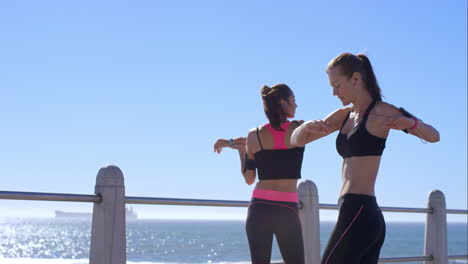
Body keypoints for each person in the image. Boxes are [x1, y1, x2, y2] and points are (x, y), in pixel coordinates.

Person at [291, 53, 440, 264]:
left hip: (359, 211)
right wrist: (305, 127)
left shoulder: (382, 112)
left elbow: (434, 136)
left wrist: (410, 123)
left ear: (355, 79)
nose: (334, 93)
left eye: (337, 85)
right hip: (357, 212)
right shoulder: (344, 115)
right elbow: (297, 140)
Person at [214, 84, 306, 264]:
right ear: (283, 103)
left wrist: (239, 148)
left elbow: (249, 178)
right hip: (286, 209)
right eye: (293, 101)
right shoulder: (299, 128)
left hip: (259, 208)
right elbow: (327, 126)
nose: (296, 105)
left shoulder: (254, 135)